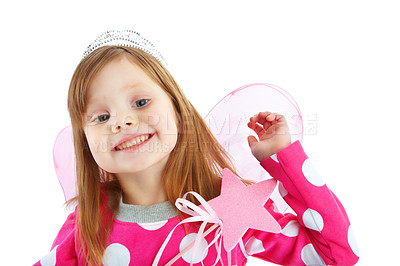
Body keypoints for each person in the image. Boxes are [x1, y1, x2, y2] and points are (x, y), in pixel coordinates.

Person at [34, 30, 359, 266]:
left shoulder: (229, 206)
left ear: (178, 111)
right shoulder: (87, 224)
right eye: (101, 116)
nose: (121, 121)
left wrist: (284, 160)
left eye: (141, 101)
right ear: (85, 142)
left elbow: (337, 256)